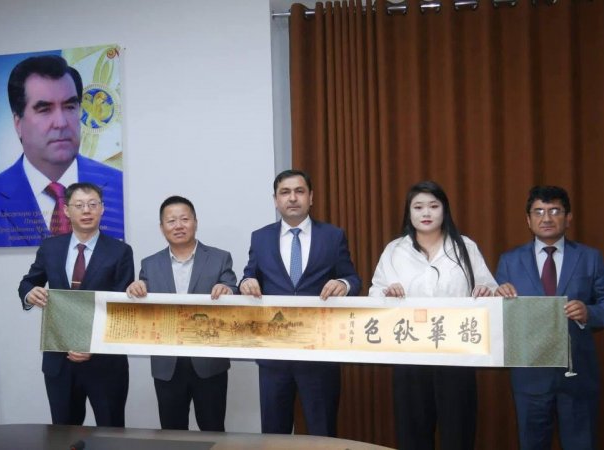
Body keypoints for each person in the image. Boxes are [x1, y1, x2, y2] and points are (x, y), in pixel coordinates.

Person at [369, 181, 497, 450]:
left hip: (457, 353)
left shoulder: (465, 247)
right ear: (409, 213)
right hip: (409, 353)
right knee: (413, 433)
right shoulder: (395, 250)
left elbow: (490, 290)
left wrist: (485, 292)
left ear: (444, 210)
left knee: (458, 432)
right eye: (418, 207)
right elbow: (375, 295)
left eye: (433, 206)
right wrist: (388, 294)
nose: (426, 213)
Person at [494, 185, 604, 450]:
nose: (547, 218)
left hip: (577, 374)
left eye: (554, 211)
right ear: (528, 220)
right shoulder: (510, 261)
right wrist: (497, 299)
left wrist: (589, 312)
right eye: (539, 212)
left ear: (568, 217)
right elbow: (496, 317)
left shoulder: (589, 257)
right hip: (529, 374)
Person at [240, 169, 362, 437]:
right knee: (274, 434)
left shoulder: (332, 236)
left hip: (319, 353)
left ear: (311, 197)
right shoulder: (260, 238)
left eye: (299, 191)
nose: (292, 198)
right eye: (285, 192)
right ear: (276, 200)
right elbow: (250, 275)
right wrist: (245, 283)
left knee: (322, 431)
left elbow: (353, 278)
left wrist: (344, 285)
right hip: (274, 356)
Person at [18, 182, 133, 427]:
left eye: (93, 204)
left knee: (111, 433)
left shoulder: (120, 251)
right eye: (79, 205)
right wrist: (30, 294)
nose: (86, 210)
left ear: (102, 209)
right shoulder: (50, 247)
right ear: (66, 210)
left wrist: (93, 346)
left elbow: (120, 308)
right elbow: (28, 283)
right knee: (63, 433)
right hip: (60, 360)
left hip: (104, 363)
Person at [0, 55, 124, 247]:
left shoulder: (118, 186)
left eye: (70, 107)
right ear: (18, 123)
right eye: (44, 110)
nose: (61, 123)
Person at [126, 196, 238, 431]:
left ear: (195, 222)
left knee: (213, 430)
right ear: (162, 227)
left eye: (184, 219)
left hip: (209, 362)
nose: (178, 225)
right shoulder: (150, 264)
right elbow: (144, 304)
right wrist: (136, 288)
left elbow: (233, 289)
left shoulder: (220, 258)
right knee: (172, 433)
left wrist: (228, 290)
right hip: (167, 364)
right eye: (171, 221)